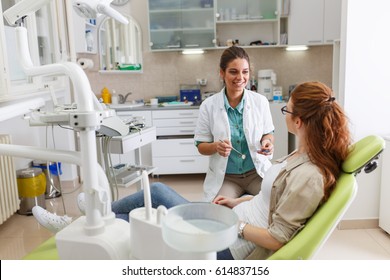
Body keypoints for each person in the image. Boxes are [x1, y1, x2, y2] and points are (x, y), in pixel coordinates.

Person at [33, 81, 351, 260]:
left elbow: (278, 240)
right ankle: (90, 219)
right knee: (156, 192)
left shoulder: (310, 175)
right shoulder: (303, 155)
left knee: (148, 218)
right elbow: (269, 202)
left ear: (298, 121)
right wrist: (237, 205)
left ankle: (79, 227)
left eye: (287, 110)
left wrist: (235, 227)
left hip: (228, 246)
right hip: (231, 221)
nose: (283, 115)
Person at [195, 46, 275, 202]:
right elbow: (200, 146)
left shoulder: (260, 102)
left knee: (273, 205)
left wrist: (267, 142)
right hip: (227, 177)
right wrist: (215, 147)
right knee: (219, 213)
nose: (240, 77)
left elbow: (268, 133)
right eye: (233, 71)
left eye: (245, 72)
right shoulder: (208, 106)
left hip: (256, 173)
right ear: (222, 73)